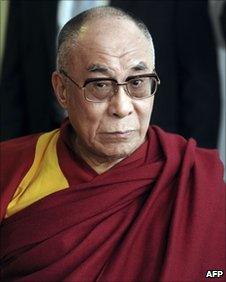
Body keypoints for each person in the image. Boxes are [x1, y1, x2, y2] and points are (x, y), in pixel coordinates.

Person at [0, 6, 225, 282]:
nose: (122, 107)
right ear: (61, 90)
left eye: (138, 82)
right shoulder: (11, 169)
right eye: (100, 85)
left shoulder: (192, 182)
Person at [1, 1, 220, 149]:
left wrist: (192, 168)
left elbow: (200, 87)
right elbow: (13, 83)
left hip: (147, 156)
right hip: (47, 151)